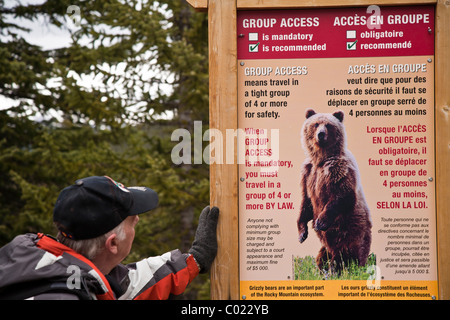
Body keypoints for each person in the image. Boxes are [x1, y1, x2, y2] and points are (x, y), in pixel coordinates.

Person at [0, 176, 219, 300]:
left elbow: (128, 285)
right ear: (112, 243)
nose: (137, 221)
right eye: (132, 220)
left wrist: (195, 259)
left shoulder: (57, 267)